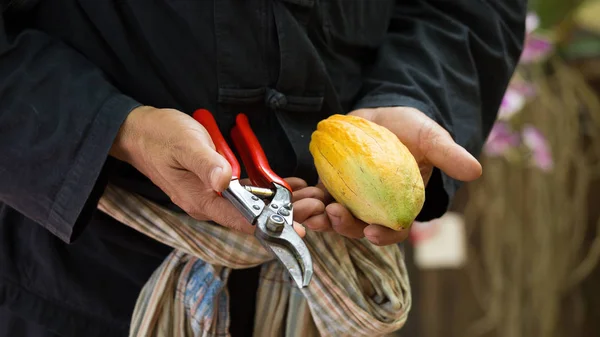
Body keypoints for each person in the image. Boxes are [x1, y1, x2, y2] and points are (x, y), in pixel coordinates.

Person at [0, 0, 527, 336]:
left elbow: (468, 9)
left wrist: (416, 94)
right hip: (70, 284)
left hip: (330, 276)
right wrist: (118, 130)